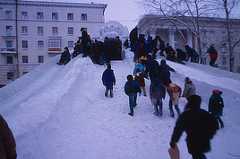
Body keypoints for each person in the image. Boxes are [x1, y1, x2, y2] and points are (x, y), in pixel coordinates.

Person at [170, 95, 219, 159]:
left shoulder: (186, 115)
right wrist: (209, 135)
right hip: (204, 141)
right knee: (199, 155)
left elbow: (178, 129)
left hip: (193, 142)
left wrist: (173, 141)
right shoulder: (205, 113)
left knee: (197, 156)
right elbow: (215, 124)